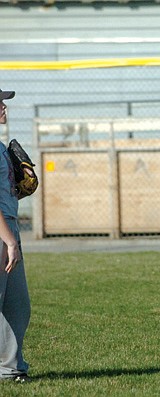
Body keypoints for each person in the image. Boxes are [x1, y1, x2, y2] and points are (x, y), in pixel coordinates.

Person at [0, 88, 31, 382]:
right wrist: (9, 241)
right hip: (2, 233)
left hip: (8, 226)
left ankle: (11, 368)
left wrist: (16, 188)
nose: (3, 107)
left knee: (17, 306)